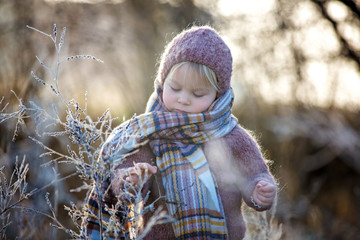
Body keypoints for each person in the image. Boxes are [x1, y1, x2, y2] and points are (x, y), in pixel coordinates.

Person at [83, 25, 277, 239]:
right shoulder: (150, 134)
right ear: (162, 82)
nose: (183, 99)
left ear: (217, 96)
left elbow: (254, 174)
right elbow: (125, 174)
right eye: (174, 88)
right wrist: (131, 181)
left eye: (197, 93)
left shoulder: (231, 136)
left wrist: (259, 191)